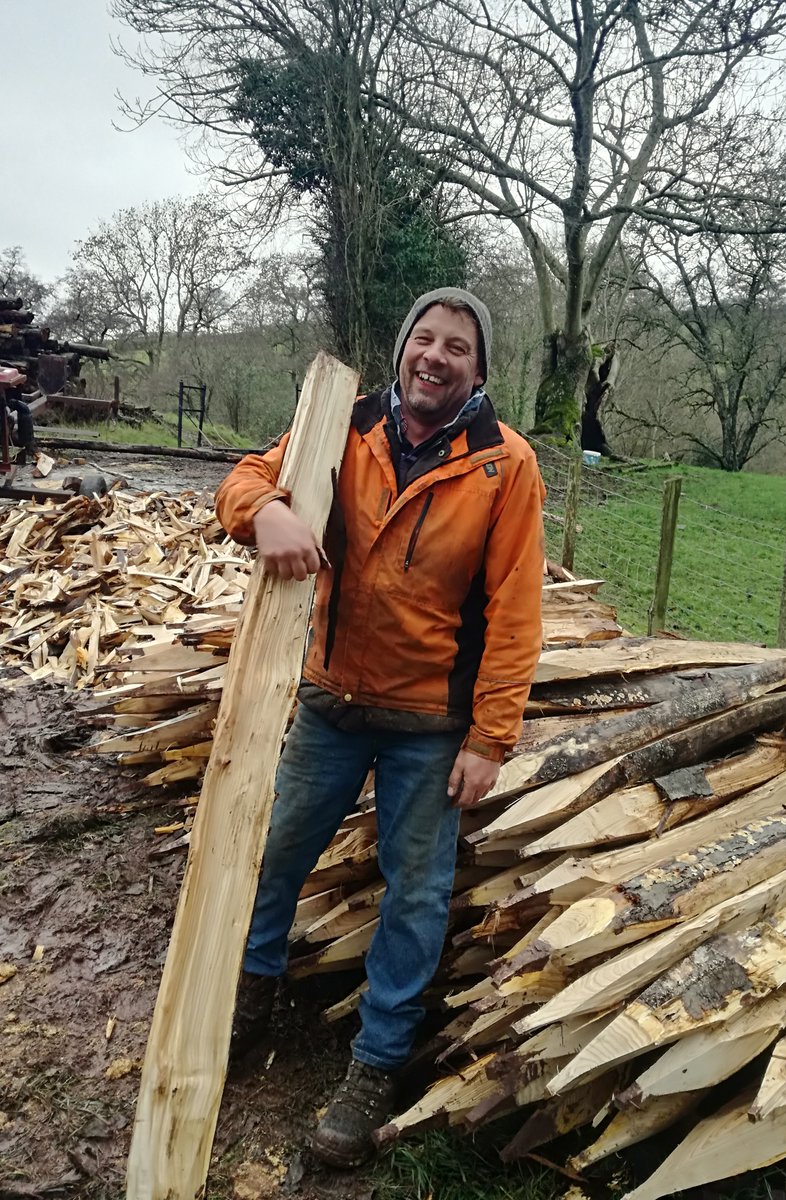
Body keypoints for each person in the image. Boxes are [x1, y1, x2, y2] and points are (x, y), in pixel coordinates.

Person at [215, 287, 545, 1168]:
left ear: (479, 369)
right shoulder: (344, 427)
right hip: (330, 703)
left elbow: (516, 611)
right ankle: (246, 997)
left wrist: (489, 739)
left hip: (429, 724)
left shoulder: (502, 465)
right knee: (273, 853)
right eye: (424, 339)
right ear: (403, 348)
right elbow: (244, 481)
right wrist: (269, 512)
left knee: (417, 894)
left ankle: (374, 1066)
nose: (436, 356)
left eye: (457, 348)